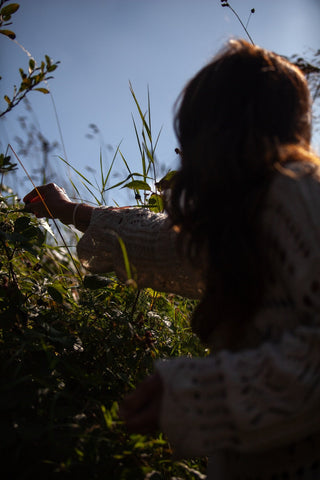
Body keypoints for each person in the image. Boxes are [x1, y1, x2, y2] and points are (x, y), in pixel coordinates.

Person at [24, 39, 320, 479]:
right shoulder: (247, 219)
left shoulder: (295, 191)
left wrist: (196, 394)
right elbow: (163, 244)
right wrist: (70, 211)